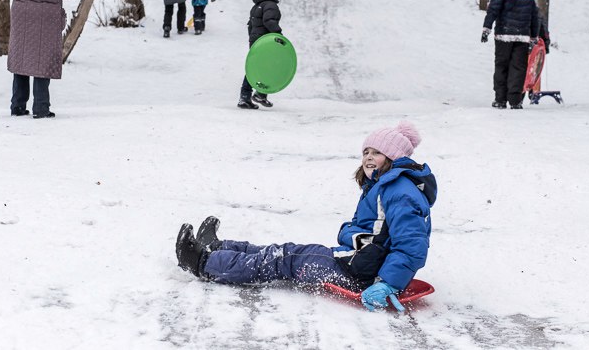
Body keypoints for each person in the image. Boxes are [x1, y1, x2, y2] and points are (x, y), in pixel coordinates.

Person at [175, 121, 437, 313]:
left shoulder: (399, 192)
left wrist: (388, 284)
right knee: (282, 252)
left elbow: (412, 244)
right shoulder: (386, 186)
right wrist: (350, 234)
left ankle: (204, 263)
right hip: (359, 260)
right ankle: (220, 248)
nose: (368, 157)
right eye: (366, 152)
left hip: (362, 273)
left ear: (393, 158)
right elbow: (368, 230)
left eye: (376, 153)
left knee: (285, 259)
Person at [8, 0, 77, 118]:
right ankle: (41, 108)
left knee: (21, 61)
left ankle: (17, 106)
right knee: (41, 61)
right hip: (45, 18)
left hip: (21, 16)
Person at [481, 0, 540, 109]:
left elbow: (493, 9)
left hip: (504, 35)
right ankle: (515, 101)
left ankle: (500, 100)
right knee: (518, 68)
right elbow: (535, 17)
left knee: (502, 66)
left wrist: (486, 28)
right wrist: (534, 37)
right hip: (522, 37)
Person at [237, 0, 281, 109]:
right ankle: (259, 95)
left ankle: (247, 96)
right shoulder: (270, 5)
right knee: (269, 67)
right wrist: (278, 34)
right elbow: (269, 21)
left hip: (256, 40)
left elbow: (250, 25)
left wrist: (253, 39)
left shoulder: (257, 5)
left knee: (256, 67)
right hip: (266, 41)